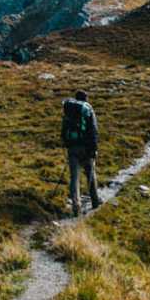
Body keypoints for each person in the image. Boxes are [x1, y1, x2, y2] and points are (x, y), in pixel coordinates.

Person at [62, 89, 101, 217]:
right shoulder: (88, 110)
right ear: (86, 98)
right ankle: (95, 201)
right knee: (90, 173)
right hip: (86, 147)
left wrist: (67, 144)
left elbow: (63, 129)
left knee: (74, 177)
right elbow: (93, 130)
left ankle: (76, 206)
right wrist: (94, 149)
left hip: (72, 147)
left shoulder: (69, 109)